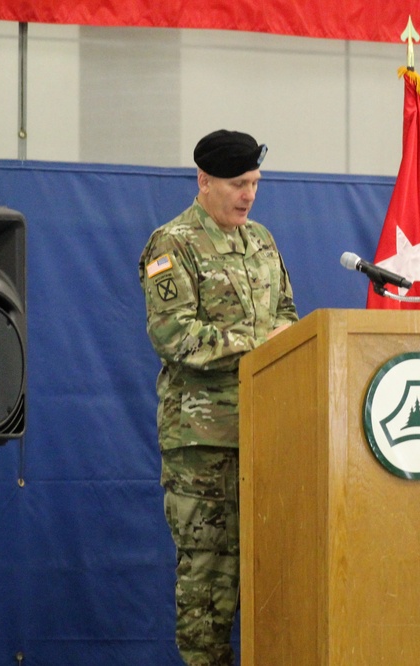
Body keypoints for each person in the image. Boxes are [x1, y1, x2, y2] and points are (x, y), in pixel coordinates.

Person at [138, 129, 298, 666]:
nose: (248, 195)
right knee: (208, 585)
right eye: (237, 184)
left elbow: (290, 324)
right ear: (204, 180)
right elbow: (175, 336)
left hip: (267, 437)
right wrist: (259, 342)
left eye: (254, 183)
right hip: (203, 446)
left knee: (272, 582)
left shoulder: (264, 242)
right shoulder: (173, 244)